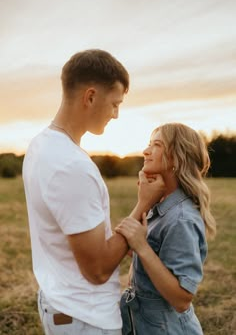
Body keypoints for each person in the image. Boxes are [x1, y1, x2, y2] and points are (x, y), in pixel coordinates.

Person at [22, 49, 165, 335]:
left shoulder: (41, 145)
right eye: (114, 103)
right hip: (85, 319)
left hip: (62, 303)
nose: (116, 114)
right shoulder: (71, 166)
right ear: (90, 97)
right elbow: (97, 269)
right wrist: (142, 206)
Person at [115, 123, 216, 335]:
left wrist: (142, 246)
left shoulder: (181, 218)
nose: (146, 151)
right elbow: (154, 259)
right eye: (149, 144)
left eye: (157, 145)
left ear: (176, 159)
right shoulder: (160, 208)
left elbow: (182, 299)